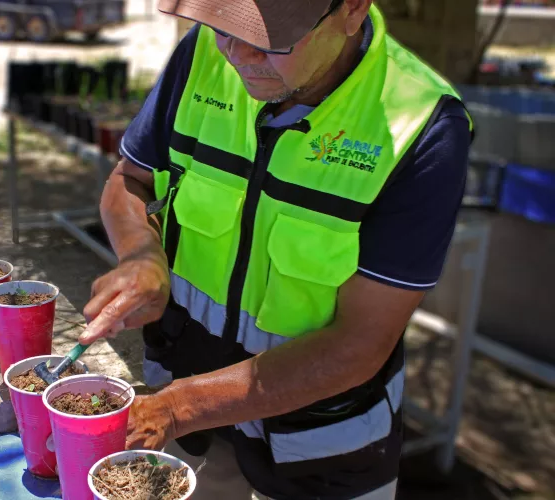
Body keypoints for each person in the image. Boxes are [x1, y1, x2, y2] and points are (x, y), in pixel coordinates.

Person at [79, 0, 472, 498]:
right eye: (222, 27)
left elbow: (359, 344)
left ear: (352, 10)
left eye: (270, 39)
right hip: (192, 417)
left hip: (318, 448)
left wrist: (181, 406)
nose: (238, 54)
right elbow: (130, 179)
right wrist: (142, 256)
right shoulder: (202, 54)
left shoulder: (422, 126)